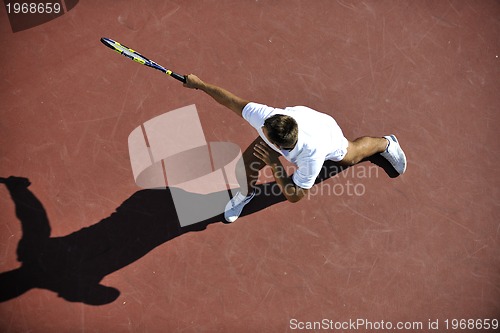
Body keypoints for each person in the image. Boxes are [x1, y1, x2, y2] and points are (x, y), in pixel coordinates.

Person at [183, 74, 407, 222]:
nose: (259, 127)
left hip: (326, 132)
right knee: (243, 170)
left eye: (264, 131)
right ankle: (247, 193)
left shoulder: (313, 156)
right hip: (297, 129)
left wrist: (274, 165)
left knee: (352, 155)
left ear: (278, 144)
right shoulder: (267, 117)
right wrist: (200, 85)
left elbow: (295, 195)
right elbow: (230, 100)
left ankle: (386, 143)